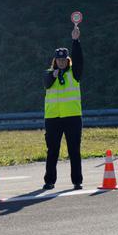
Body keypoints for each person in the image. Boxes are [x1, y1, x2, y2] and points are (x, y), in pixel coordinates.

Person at [42, 26, 83, 190]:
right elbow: (46, 82)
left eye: (64, 59)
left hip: (72, 117)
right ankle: (49, 180)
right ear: (54, 61)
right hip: (53, 119)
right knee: (52, 151)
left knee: (74, 150)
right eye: (58, 60)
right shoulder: (48, 74)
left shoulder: (74, 73)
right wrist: (54, 74)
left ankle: (77, 181)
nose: (61, 62)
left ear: (68, 60)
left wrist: (76, 41)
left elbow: (79, 59)